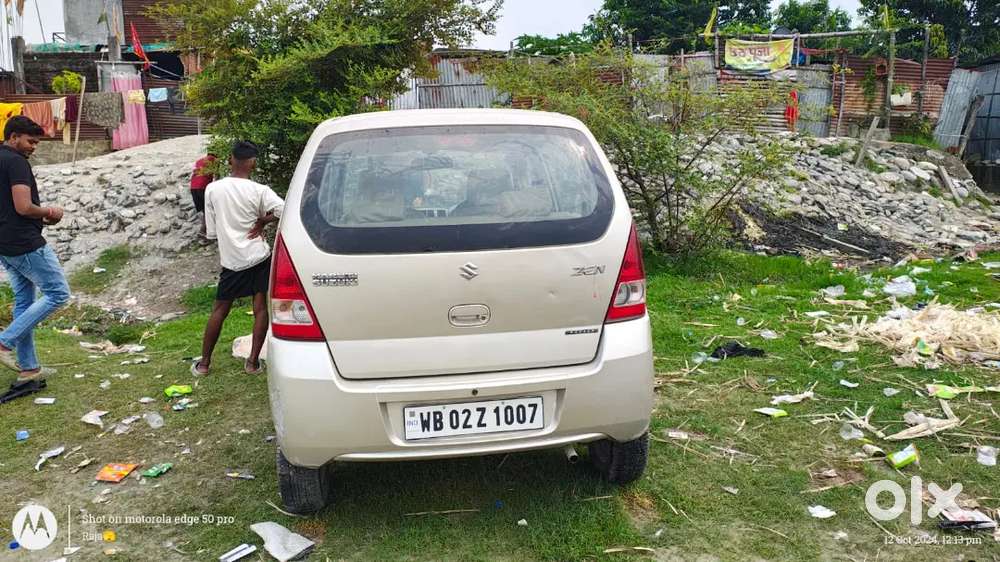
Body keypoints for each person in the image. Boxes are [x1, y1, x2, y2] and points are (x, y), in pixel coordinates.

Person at [192, 141, 283, 376]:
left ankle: (204, 364)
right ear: (253, 163)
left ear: (230, 160)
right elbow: (283, 209)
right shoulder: (260, 190)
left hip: (232, 261)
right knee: (260, 308)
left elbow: (212, 232)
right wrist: (263, 221)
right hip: (258, 256)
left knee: (220, 310)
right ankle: (252, 363)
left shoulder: (213, 189)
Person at [0, 116, 70, 385]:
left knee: (25, 301)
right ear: (14, 137)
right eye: (30, 141)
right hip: (24, 242)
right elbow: (23, 207)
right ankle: (4, 342)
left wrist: (38, 218)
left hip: (5, 242)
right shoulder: (16, 162)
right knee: (58, 292)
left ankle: (29, 368)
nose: (34, 147)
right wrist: (50, 211)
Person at [190, 151, 217, 236]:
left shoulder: (199, 161)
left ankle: (203, 229)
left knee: (203, 210)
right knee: (208, 209)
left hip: (193, 187)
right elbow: (217, 176)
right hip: (202, 187)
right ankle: (204, 231)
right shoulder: (214, 160)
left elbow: (194, 172)